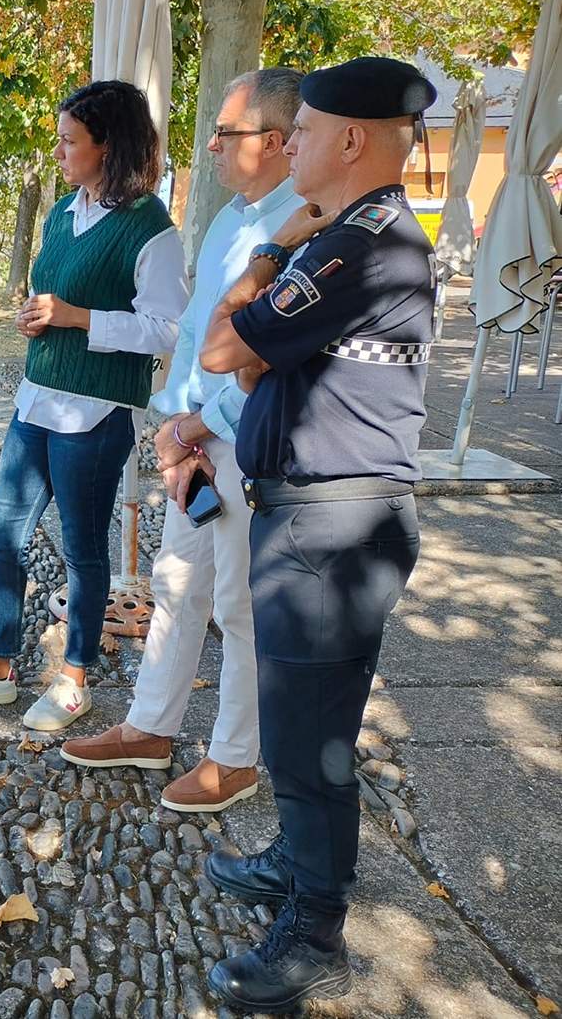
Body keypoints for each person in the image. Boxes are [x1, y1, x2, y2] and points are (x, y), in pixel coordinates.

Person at [197, 56, 437, 1011]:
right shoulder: (346, 240)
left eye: (303, 130)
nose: (287, 142)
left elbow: (227, 349)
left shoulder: (359, 246)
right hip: (310, 510)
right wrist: (263, 339)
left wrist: (269, 256)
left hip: (333, 525)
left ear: (349, 140)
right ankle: (300, 862)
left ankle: (314, 928)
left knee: (311, 737)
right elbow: (259, 370)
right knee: (297, 720)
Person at [59, 69, 305, 813]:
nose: (213, 145)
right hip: (198, 439)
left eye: (227, 133)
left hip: (247, 439)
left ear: (276, 140)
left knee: (237, 605)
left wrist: (193, 427)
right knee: (175, 587)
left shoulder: (301, 225)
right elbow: (201, 329)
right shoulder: (235, 216)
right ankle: (151, 725)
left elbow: (267, 353)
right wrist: (173, 425)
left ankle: (235, 758)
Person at [0, 80, 187, 726]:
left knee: (83, 548)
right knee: (0, 531)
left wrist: (74, 317)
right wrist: (38, 317)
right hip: (37, 399)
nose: (59, 151)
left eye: (70, 140)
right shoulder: (62, 213)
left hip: (95, 412)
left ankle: (75, 677)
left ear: (109, 144)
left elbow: (167, 329)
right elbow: (55, 294)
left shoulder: (151, 227)